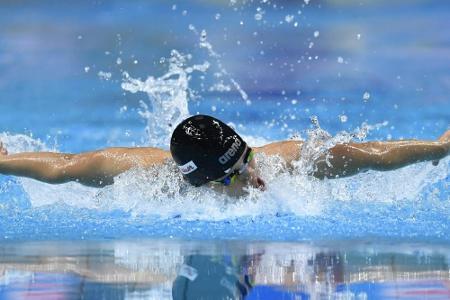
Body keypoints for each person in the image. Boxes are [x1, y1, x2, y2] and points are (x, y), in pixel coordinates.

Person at [0, 115, 448, 194]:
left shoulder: (285, 164)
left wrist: (441, 148)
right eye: (234, 174)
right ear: (199, 179)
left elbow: (370, 154)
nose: (254, 175)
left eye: (246, 157)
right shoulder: (146, 179)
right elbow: (62, 168)